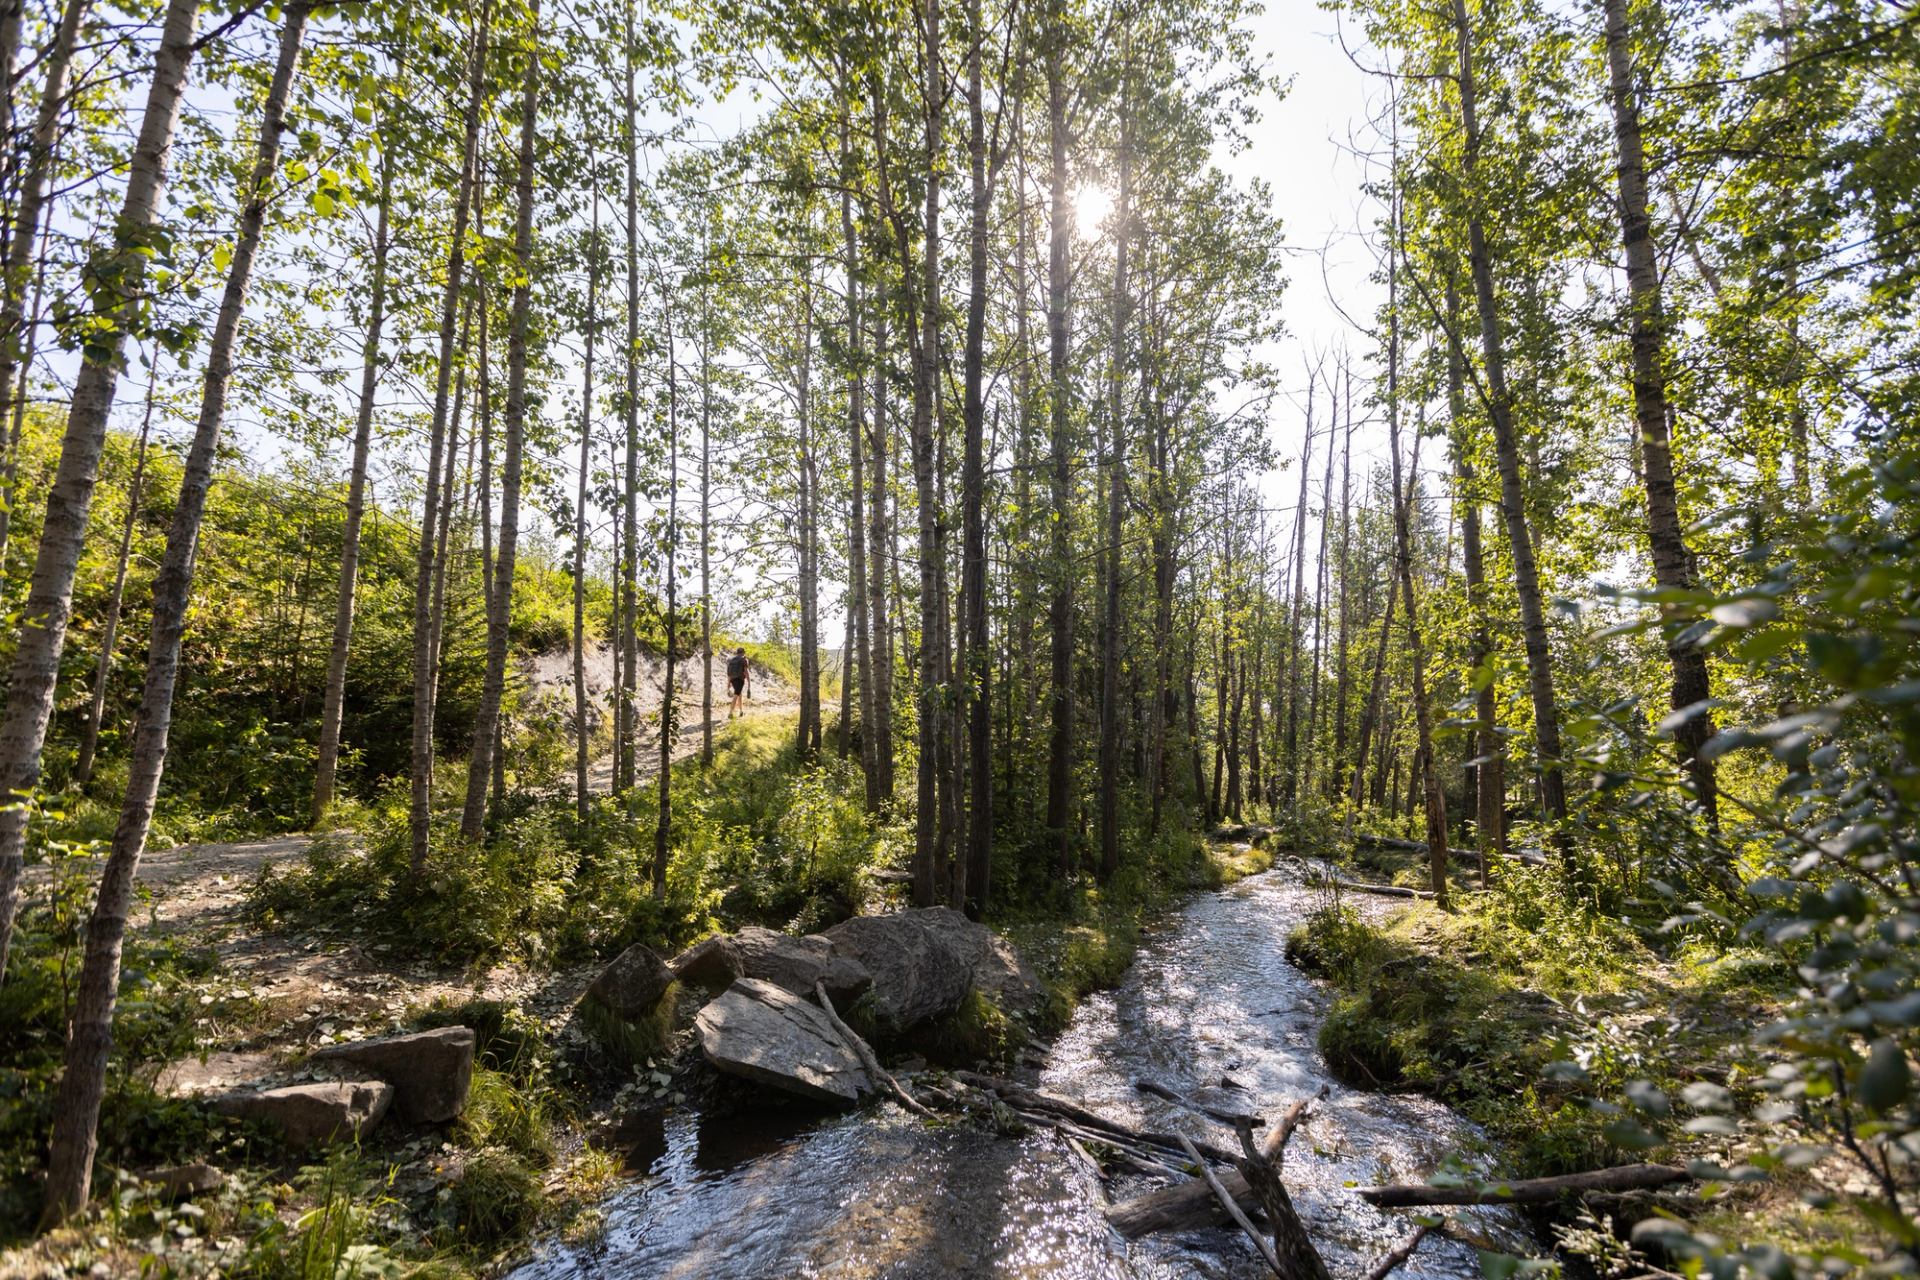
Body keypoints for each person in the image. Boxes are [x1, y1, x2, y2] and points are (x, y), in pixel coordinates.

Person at [727, 647, 751, 719]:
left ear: (737, 653)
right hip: (739, 680)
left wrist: (728, 683)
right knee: (736, 696)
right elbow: (746, 672)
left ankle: (741, 711)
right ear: (743, 652)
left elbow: (729, 673)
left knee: (739, 694)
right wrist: (749, 682)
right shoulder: (743, 660)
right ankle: (730, 713)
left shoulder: (731, 660)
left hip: (733, 679)